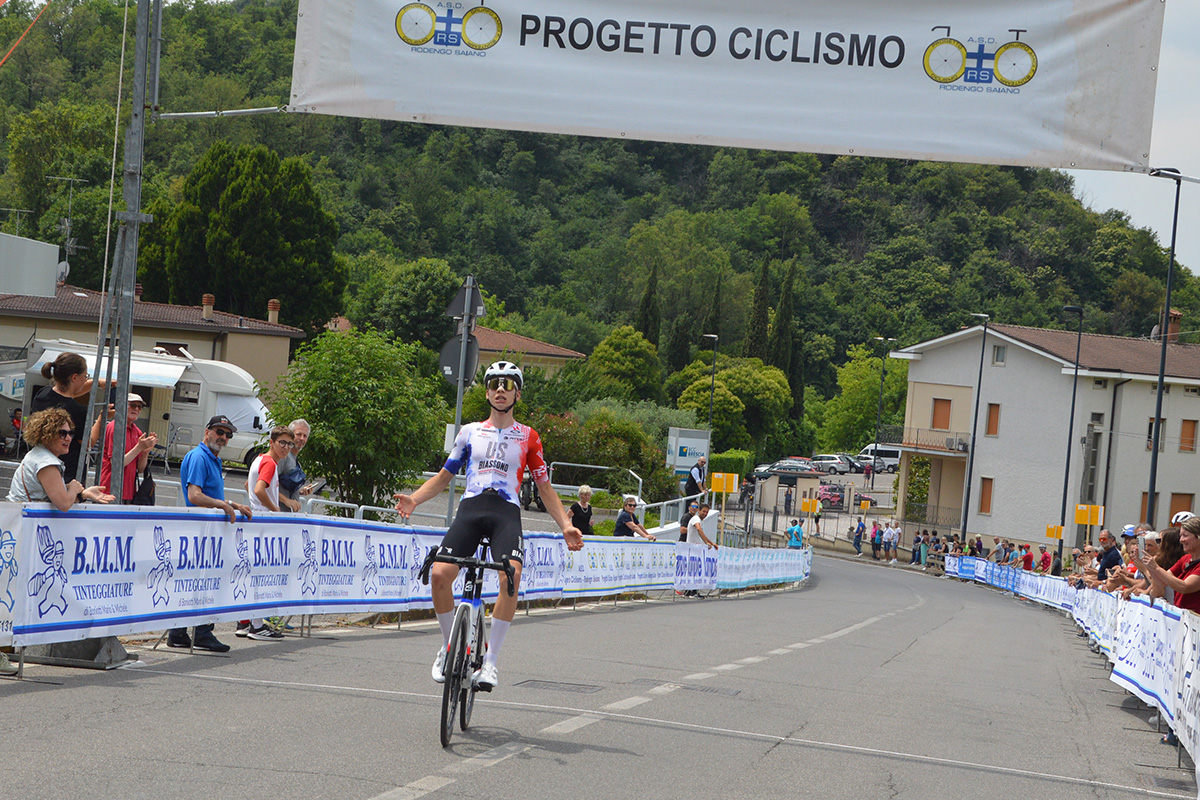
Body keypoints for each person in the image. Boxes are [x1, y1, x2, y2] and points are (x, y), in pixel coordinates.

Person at [393, 362, 583, 691]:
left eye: (507, 384)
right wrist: (414, 500)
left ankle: (491, 661)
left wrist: (566, 524)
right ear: (486, 391)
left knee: (512, 574)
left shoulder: (529, 437)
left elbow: (544, 488)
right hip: (471, 507)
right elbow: (443, 478)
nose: (500, 389)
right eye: (494, 383)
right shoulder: (469, 432)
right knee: (439, 574)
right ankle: (449, 647)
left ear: (516, 393)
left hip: (505, 511)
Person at [168, 415, 254, 652]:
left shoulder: (212, 458)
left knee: (199, 581)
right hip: (199, 531)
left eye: (228, 434)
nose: (223, 437)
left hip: (207, 531)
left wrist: (232, 504)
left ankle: (178, 632)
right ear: (207, 432)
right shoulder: (198, 456)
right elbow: (194, 496)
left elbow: (208, 494)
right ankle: (203, 632)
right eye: (219, 431)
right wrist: (223, 506)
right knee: (206, 581)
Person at [235, 426, 296, 642]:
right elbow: (260, 489)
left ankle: (246, 622)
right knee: (261, 576)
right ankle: (257, 626)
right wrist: (274, 509)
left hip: (257, 523)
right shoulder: (269, 462)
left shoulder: (260, 460)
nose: (286, 448)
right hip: (263, 525)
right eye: (282, 443)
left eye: (290, 444)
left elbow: (249, 484)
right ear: (272, 442)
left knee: (254, 574)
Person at [7, 408, 115, 509]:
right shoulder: (46, 463)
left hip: (22, 518)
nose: (68, 438)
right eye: (62, 433)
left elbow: (56, 498)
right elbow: (64, 504)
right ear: (46, 435)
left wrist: (84, 494)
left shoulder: (37, 454)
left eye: (70, 433)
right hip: (27, 521)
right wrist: (73, 488)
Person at [29, 351, 111, 481]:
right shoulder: (77, 412)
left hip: (39, 464)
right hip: (67, 472)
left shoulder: (43, 394)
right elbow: (88, 443)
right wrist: (102, 418)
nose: (86, 379)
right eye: (85, 376)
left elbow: (69, 395)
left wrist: (97, 382)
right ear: (74, 377)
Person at [99, 393, 157, 504]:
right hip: (110, 490)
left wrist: (145, 452)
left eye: (139, 407)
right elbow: (116, 465)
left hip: (129, 492)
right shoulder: (115, 427)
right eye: (133, 405)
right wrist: (139, 447)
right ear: (123, 406)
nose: (136, 409)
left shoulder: (137, 431)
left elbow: (140, 469)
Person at [276, 418, 312, 512]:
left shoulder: (295, 460)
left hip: (289, 517)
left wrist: (299, 492)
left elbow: (283, 487)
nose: (302, 438)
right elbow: (266, 487)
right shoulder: (283, 457)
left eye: (305, 436)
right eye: (298, 434)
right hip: (276, 515)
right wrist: (286, 500)